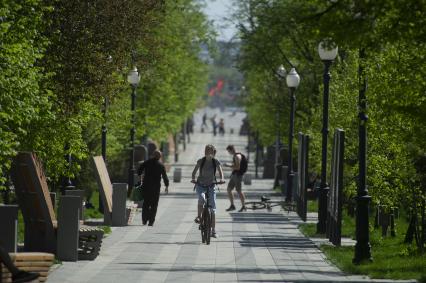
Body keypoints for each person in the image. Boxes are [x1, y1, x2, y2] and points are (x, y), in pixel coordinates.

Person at [191, 144, 224, 238]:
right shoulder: (201, 161)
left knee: (213, 209)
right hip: (201, 185)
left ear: (213, 152)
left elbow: (221, 172)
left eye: (208, 150)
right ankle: (199, 216)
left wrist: (222, 179)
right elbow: (194, 172)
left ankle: (213, 231)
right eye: (206, 149)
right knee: (201, 198)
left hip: (211, 186)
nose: (206, 151)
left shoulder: (215, 161)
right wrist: (193, 179)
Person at [138, 150, 169, 226]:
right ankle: (151, 221)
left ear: (152, 155)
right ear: (160, 157)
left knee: (146, 204)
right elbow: (165, 177)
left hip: (146, 186)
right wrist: (166, 185)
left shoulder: (147, 162)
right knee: (154, 205)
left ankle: (144, 220)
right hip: (156, 188)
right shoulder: (161, 165)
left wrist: (141, 176)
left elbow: (139, 171)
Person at [224, 145, 247, 212]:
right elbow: (235, 166)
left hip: (238, 175)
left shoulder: (237, 156)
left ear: (232, 150)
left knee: (239, 191)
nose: (229, 153)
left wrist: (228, 165)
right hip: (235, 175)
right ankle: (232, 205)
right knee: (229, 189)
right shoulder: (236, 156)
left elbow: (238, 167)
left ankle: (243, 206)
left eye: (229, 151)